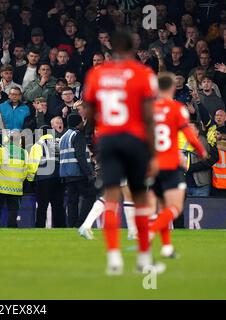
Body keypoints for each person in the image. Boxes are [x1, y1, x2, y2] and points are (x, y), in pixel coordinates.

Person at [83, 30, 159, 275]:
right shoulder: (143, 73)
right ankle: (144, 259)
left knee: (112, 195)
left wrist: (98, 138)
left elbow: (90, 110)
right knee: (139, 198)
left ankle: (114, 258)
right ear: (132, 48)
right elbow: (148, 114)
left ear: (112, 47)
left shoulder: (97, 73)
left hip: (107, 139)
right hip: (134, 139)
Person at [149, 72, 207, 258]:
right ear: (172, 88)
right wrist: (201, 149)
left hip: (154, 165)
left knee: (163, 206)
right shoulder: (177, 109)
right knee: (175, 207)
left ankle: (166, 247)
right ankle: (148, 232)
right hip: (171, 164)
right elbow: (189, 134)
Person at [0, 130, 34, 227]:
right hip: (16, 188)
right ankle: (12, 229)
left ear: (8, 139)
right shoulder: (24, 153)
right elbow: (29, 170)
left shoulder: (1, 150)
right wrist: (26, 180)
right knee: (13, 211)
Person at [59, 113, 96, 228]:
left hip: (67, 174)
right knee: (90, 196)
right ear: (78, 123)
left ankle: (72, 225)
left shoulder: (64, 136)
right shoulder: (77, 135)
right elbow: (81, 156)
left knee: (72, 201)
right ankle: (80, 223)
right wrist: (89, 173)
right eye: (81, 122)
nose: (82, 124)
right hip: (78, 172)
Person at [29, 126, 65, 227]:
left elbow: (33, 164)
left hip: (43, 179)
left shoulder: (38, 145)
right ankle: (60, 227)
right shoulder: (58, 144)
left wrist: (31, 179)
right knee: (58, 205)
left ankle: (40, 226)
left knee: (42, 206)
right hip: (58, 178)